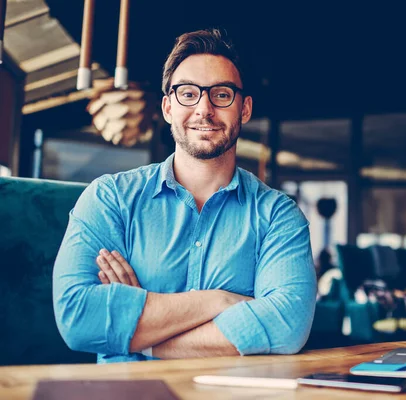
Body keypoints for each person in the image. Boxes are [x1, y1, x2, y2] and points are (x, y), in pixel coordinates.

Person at [53, 28, 317, 363]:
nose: (204, 109)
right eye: (188, 94)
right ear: (167, 108)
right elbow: (78, 319)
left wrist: (139, 334)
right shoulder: (111, 198)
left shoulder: (279, 215)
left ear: (245, 109)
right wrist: (218, 301)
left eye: (221, 95)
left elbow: (286, 326)